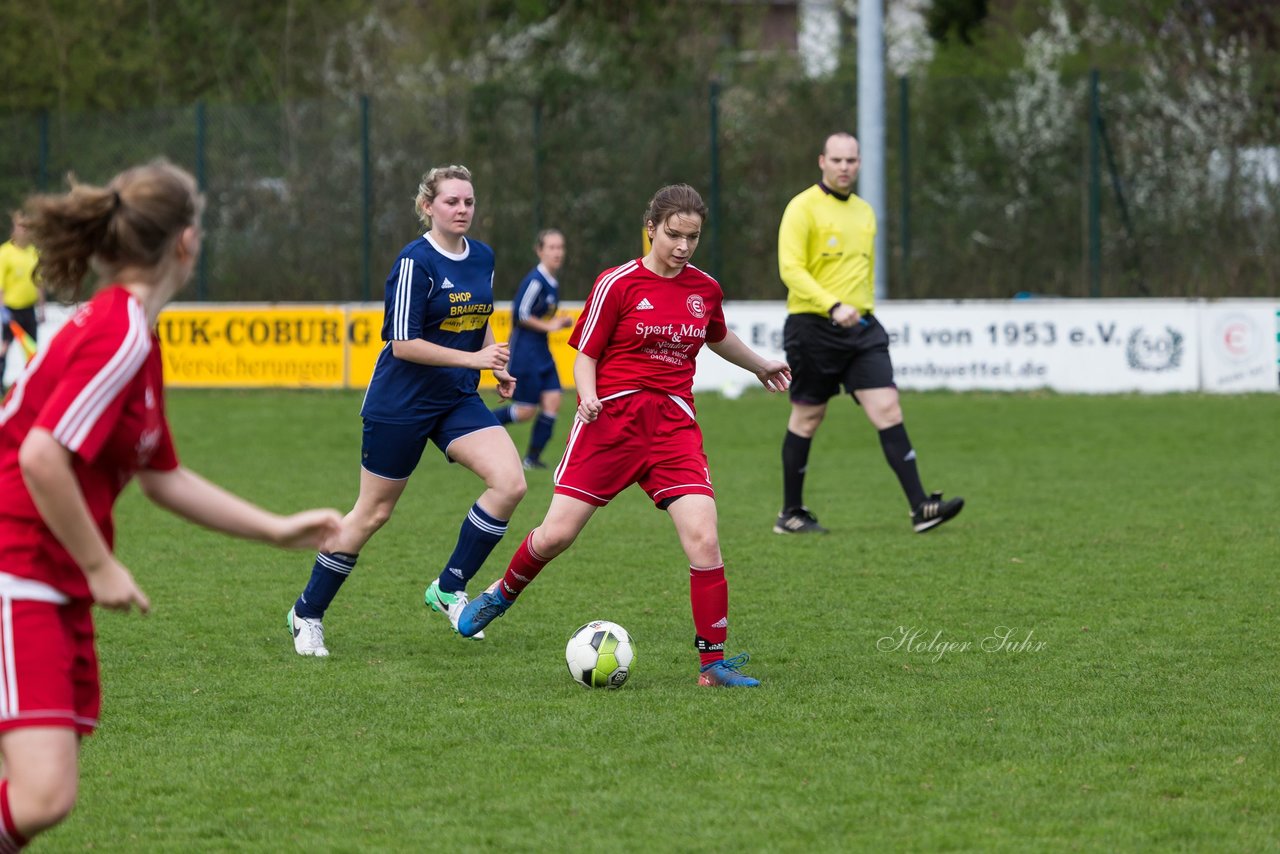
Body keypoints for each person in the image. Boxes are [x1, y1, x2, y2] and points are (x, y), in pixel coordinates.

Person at [0, 160, 343, 849]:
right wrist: (100, 566)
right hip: (16, 562)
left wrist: (275, 530)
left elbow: (162, 477)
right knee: (41, 791)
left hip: (47, 571)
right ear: (184, 241)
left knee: (45, 786)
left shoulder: (134, 334)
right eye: (204, 225)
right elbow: (41, 457)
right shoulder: (119, 330)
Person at [456, 184, 791, 688]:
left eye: (693, 237)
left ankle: (712, 664)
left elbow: (716, 336)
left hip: (673, 429)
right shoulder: (617, 284)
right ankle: (501, 593)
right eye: (673, 235)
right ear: (651, 228)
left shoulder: (704, 289)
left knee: (704, 537)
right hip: (608, 423)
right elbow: (586, 353)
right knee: (557, 535)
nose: (682, 247)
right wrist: (587, 396)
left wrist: (761, 365)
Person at [287, 164, 527, 656]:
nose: (462, 210)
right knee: (373, 513)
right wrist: (476, 360)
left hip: (456, 398)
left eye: (468, 201)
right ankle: (306, 612)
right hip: (401, 403)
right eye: (451, 202)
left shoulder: (482, 256)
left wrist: (495, 362)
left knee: (510, 483)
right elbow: (403, 344)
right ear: (427, 207)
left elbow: (476, 315)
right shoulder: (414, 263)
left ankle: (448, 588)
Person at [775, 132, 963, 535]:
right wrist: (831, 305)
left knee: (888, 409)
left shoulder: (865, 212)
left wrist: (856, 311)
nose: (845, 167)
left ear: (859, 164)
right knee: (808, 418)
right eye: (838, 160)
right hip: (812, 327)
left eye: (852, 161)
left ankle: (920, 508)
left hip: (861, 330)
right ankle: (790, 513)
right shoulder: (802, 208)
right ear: (821, 161)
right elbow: (790, 270)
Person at [490, 228, 575, 470]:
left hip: (542, 352)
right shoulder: (535, 281)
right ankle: (480, 426)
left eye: (560, 247)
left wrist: (557, 323)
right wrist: (552, 325)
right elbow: (520, 313)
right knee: (526, 411)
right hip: (526, 353)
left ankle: (532, 458)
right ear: (540, 251)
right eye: (552, 247)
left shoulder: (552, 282)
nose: (557, 252)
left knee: (553, 401)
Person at [0, 211, 44, 374]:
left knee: (32, 350)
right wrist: (2, 309)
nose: (24, 231)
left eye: (27, 227)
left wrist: (42, 308)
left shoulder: (34, 252)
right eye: (21, 227)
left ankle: (31, 382)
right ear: (14, 228)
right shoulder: (5, 252)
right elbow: (0, 285)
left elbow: (39, 282)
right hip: (11, 310)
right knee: (5, 346)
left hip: (29, 309)